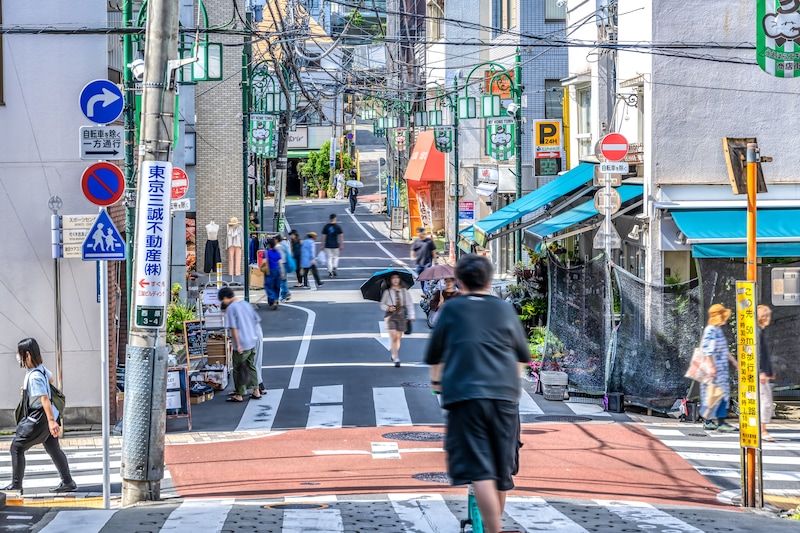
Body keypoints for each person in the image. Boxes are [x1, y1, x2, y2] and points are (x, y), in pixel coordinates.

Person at [423, 255, 529, 533]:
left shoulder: (452, 309)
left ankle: (492, 530)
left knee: (480, 469)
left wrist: (437, 384)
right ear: (489, 281)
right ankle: (497, 526)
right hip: (505, 398)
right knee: (501, 471)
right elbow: (522, 356)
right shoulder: (504, 308)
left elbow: (435, 357)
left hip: (466, 397)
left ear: (461, 282)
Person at [3, 338, 76, 494]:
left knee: (17, 447)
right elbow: (51, 379)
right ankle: (68, 481)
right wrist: (28, 389)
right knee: (54, 449)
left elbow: (45, 399)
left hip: (40, 418)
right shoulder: (40, 370)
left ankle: (16, 485)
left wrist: (51, 422)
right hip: (48, 417)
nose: (18, 357)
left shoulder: (34, 376)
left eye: (19, 353)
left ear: (27, 355)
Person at [218, 287, 262, 402]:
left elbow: (234, 328)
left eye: (222, 300)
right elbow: (256, 320)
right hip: (252, 340)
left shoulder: (231, 308)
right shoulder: (245, 304)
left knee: (238, 368)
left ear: (225, 298)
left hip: (241, 342)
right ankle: (256, 391)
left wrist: (238, 345)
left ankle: (239, 394)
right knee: (251, 366)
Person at [700, 303, 739, 432]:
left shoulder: (717, 330)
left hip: (720, 369)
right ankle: (708, 421)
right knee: (712, 395)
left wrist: (734, 362)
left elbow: (725, 350)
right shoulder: (710, 330)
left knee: (722, 395)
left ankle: (720, 422)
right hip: (713, 370)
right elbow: (707, 351)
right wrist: (711, 367)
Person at [379, 273, 414, 367]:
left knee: (398, 337)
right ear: (390, 280)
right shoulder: (387, 292)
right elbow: (382, 304)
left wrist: (412, 315)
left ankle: (394, 353)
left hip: (401, 315)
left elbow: (409, 304)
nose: (395, 280)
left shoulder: (404, 291)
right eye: (393, 278)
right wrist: (388, 308)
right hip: (390, 315)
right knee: (393, 336)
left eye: (397, 278)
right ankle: (396, 357)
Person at [757, 305, 776, 442]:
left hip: (761, 373)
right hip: (759, 374)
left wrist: (768, 371)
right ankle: (763, 430)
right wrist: (762, 372)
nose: (769, 318)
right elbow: (758, 354)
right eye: (767, 315)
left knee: (762, 401)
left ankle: (760, 429)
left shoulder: (759, 331)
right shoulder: (758, 332)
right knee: (765, 402)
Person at [263, 238, 284, 310]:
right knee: (276, 286)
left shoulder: (266, 252)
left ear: (268, 245)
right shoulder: (277, 252)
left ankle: (272, 298)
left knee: (268, 286)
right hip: (277, 270)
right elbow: (280, 263)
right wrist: (282, 272)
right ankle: (275, 300)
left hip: (269, 271)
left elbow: (264, 262)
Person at [321, 214, 344, 278]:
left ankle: (330, 271)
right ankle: (334, 266)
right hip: (335, 245)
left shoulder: (326, 227)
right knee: (336, 257)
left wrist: (322, 244)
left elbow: (323, 236)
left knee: (329, 258)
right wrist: (341, 244)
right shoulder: (338, 227)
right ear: (335, 219)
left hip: (327, 245)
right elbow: (341, 236)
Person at [275, 234, 293, 302]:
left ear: (277, 240)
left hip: (280, 264)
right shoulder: (284, 245)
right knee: (284, 280)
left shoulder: (277, 247)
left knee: (281, 281)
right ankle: (284, 294)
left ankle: (285, 294)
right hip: (285, 263)